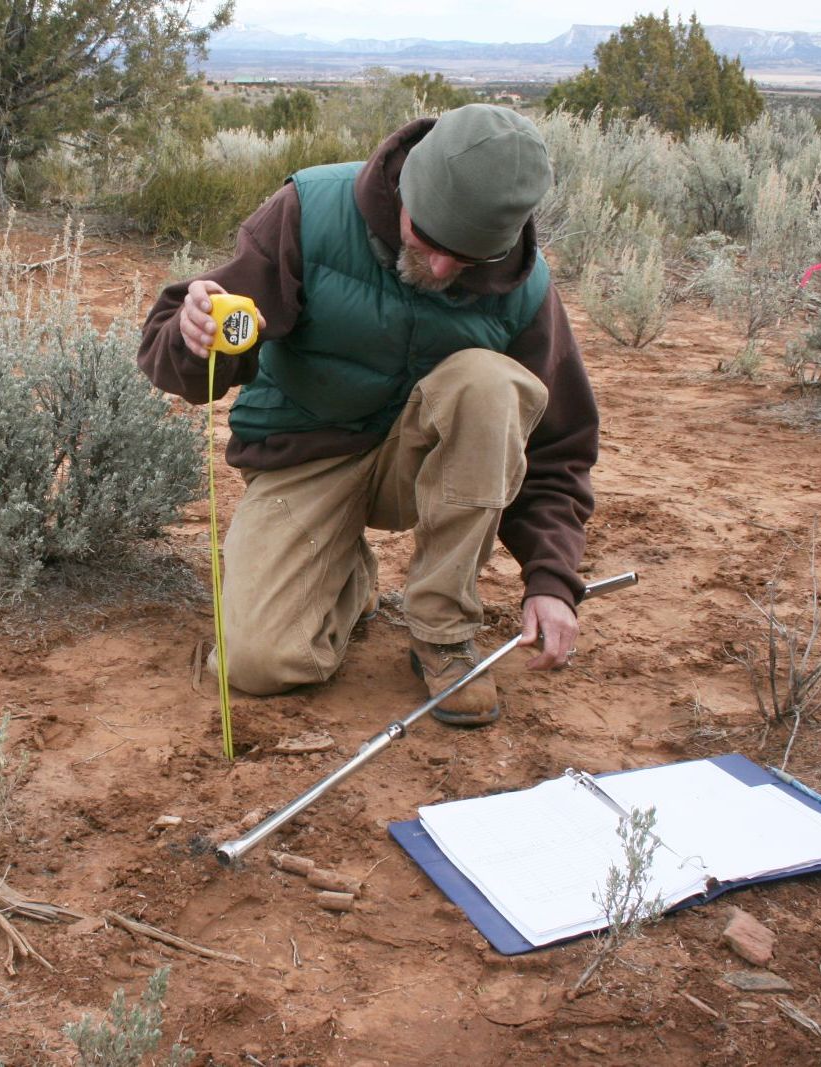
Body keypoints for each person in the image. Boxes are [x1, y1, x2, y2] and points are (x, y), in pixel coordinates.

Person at [137, 104, 597, 726]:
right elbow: (180, 366)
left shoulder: (523, 285)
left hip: (424, 466)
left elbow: (557, 447)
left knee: (490, 384)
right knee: (260, 665)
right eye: (430, 241)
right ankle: (348, 579)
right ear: (406, 188)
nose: (440, 269)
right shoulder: (309, 211)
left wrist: (550, 577)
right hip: (307, 453)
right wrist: (191, 336)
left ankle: (441, 632)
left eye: (466, 259)